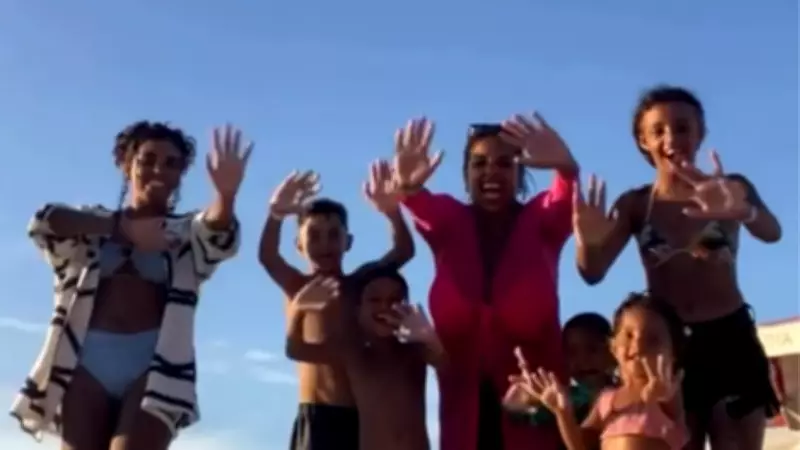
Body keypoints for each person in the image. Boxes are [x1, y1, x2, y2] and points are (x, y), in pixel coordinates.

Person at [10, 122, 249, 450]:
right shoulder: (92, 226)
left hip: (153, 369)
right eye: (147, 160)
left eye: (171, 163)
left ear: (181, 173)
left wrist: (226, 196)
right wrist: (121, 229)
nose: (158, 170)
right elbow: (44, 222)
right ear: (125, 163)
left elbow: (217, 233)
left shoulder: (184, 233)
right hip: (84, 364)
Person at [572, 85, 782, 450]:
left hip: (729, 337)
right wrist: (586, 242)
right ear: (643, 141)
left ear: (700, 133)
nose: (671, 139)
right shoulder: (636, 205)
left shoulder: (730, 188)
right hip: (667, 349)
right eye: (658, 130)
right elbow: (593, 272)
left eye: (683, 128)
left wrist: (745, 212)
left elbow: (772, 232)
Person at [392, 115, 579, 450]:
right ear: (466, 174)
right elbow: (423, 207)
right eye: (479, 163)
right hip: (463, 425)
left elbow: (563, 200)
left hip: (537, 424)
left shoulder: (541, 223)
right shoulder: (450, 223)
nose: (491, 171)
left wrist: (566, 168)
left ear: (520, 174)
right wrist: (408, 187)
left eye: (505, 163)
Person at [257, 161, 414, 450]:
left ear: (348, 241)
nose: (324, 244)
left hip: (360, 416)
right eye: (314, 235)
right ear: (298, 244)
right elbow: (268, 256)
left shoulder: (359, 285)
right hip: (317, 416)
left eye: (333, 235)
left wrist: (392, 212)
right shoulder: (298, 286)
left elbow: (404, 250)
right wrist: (276, 214)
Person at [285, 266, 445, 450]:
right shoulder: (354, 354)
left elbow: (446, 367)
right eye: (374, 300)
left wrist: (428, 337)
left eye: (395, 300)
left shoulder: (414, 349)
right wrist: (298, 308)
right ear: (358, 310)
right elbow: (295, 350)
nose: (384, 306)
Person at [511, 293, 688, 450]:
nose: (638, 345)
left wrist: (665, 396)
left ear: (673, 354)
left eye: (653, 339)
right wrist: (563, 412)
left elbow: (672, 406)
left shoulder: (668, 394)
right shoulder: (606, 400)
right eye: (628, 335)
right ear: (613, 347)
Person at [503, 312, 616, 431]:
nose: (583, 359)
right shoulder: (568, 398)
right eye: (572, 352)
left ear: (613, 352)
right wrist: (519, 397)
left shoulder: (623, 393)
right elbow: (526, 414)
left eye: (593, 349)